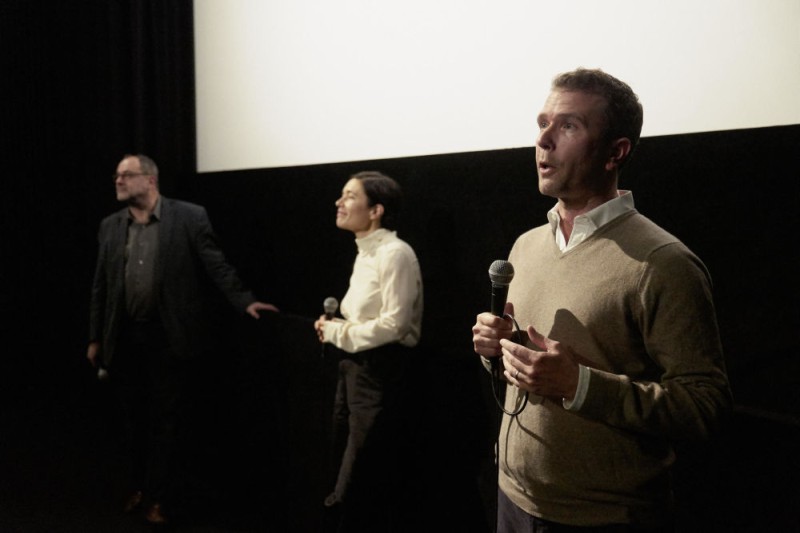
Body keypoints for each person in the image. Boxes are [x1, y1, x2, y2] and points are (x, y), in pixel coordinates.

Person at [471, 68, 733, 532]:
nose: (544, 141)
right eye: (542, 123)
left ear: (616, 153)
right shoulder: (526, 246)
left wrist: (579, 384)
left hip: (600, 518)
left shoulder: (663, 262)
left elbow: (704, 406)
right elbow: (528, 373)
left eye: (568, 126)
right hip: (512, 498)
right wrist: (500, 349)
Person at [86, 153, 278, 525]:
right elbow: (101, 286)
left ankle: (160, 496)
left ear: (151, 180)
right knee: (133, 419)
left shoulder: (189, 217)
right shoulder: (110, 226)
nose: (118, 181)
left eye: (126, 175)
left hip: (168, 338)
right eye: (117, 175)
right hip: (124, 338)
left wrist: (245, 301)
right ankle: (140, 486)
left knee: (167, 420)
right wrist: (95, 337)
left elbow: (216, 264)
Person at [314, 171, 423, 532]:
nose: (339, 202)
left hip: (380, 371)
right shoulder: (366, 253)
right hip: (354, 368)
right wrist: (334, 328)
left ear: (375, 210)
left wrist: (337, 332)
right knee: (343, 457)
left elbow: (396, 325)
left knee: (364, 467)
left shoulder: (395, 253)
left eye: (349, 196)